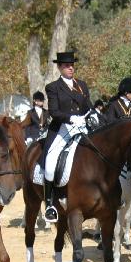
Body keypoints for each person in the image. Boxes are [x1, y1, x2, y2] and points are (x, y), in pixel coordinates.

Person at [42, 50, 93, 222]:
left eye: (72, 65)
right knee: (50, 163)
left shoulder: (82, 85)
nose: (70, 68)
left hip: (82, 126)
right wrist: (71, 118)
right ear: (59, 68)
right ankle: (50, 204)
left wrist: (93, 114)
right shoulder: (53, 87)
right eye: (66, 66)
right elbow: (54, 111)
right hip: (62, 128)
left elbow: (88, 106)